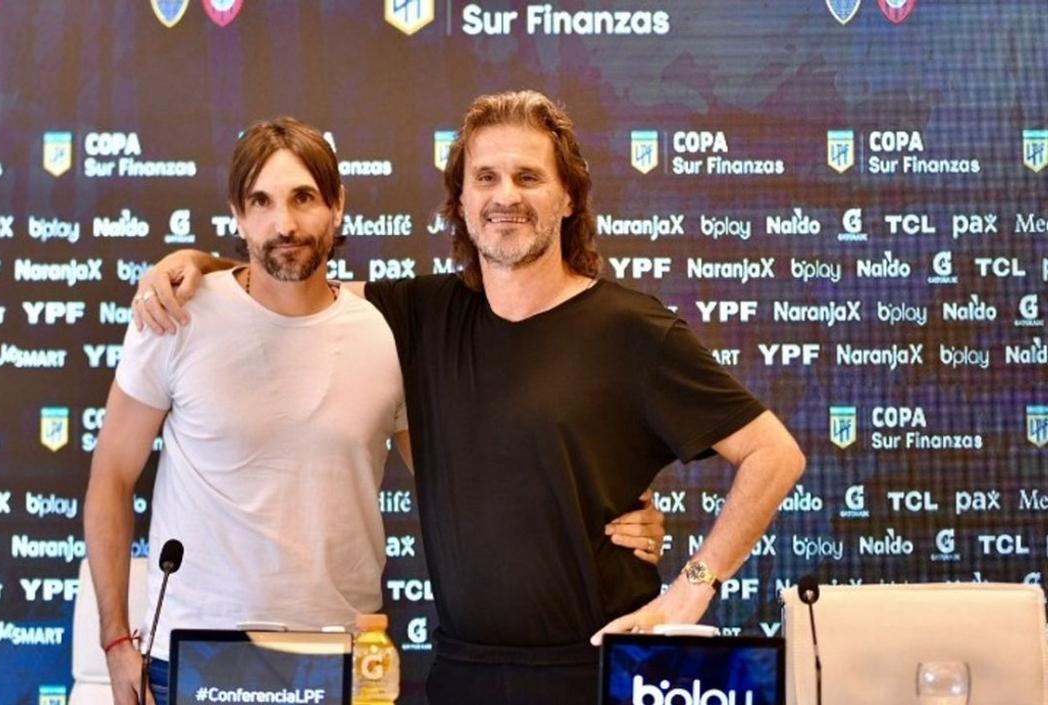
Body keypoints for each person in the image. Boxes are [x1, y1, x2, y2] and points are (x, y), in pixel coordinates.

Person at [135, 92, 802, 704]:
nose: (504, 195)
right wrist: (195, 263)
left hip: (598, 670)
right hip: (463, 676)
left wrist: (693, 587)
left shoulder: (632, 329)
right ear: (460, 200)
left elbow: (774, 455)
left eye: (528, 177)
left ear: (569, 197)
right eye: (485, 177)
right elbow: (291, 278)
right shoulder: (418, 313)